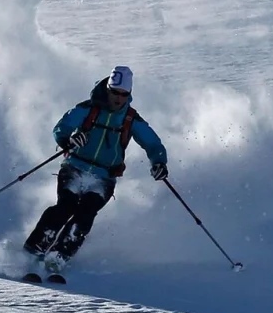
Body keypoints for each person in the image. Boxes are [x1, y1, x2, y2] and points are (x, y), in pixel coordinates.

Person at [24, 65, 167, 268]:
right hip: (74, 167)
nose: (118, 98)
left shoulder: (130, 119)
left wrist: (159, 162)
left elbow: (153, 144)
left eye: (123, 94)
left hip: (104, 177)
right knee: (65, 207)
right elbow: (61, 128)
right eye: (114, 92)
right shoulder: (88, 108)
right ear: (107, 89)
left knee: (86, 214)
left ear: (129, 94)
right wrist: (69, 139)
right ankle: (33, 250)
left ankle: (59, 257)